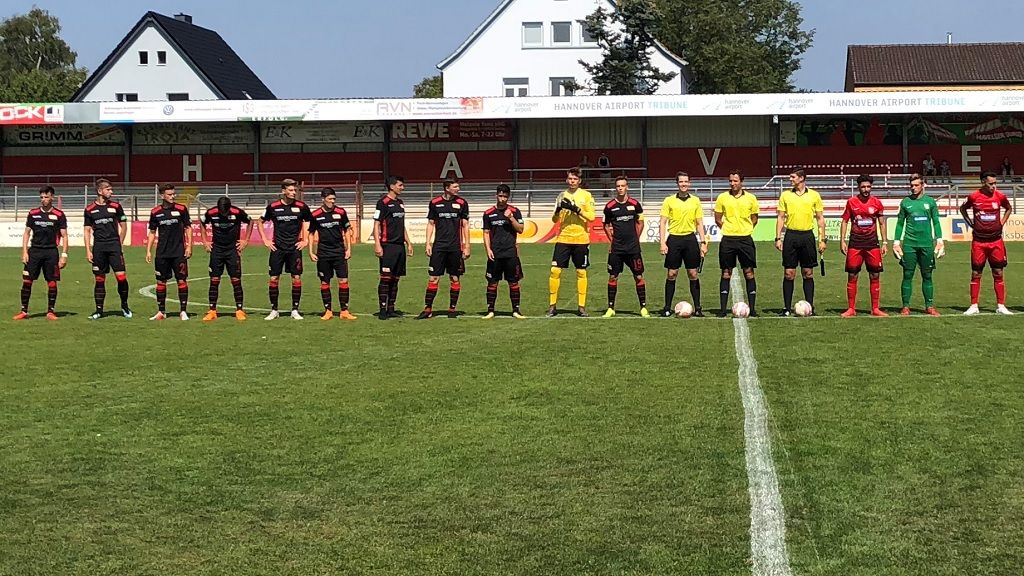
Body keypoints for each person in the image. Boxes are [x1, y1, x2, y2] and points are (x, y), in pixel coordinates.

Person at [257, 178, 312, 320]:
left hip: (294, 248)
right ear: (283, 191)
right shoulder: (273, 207)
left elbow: (309, 222)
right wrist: (265, 240)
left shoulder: (302, 206)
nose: (294, 192)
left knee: (296, 278)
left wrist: (305, 240)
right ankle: (274, 310)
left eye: (295, 190)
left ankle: (295, 309)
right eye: (291, 190)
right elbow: (260, 222)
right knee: (274, 278)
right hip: (277, 248)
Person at [960, 171, 1013, 315]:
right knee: (976, 273)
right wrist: (970, 222)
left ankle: (1001, 306)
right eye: (991, 183)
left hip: (996, 241)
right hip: (979, 241)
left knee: (998, 272)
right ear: (983, 182)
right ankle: (974, 305)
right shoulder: (973, 197)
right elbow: (963, 208)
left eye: (995, 183)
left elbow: (1009, 208)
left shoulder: (1000, 196)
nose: (994, 186)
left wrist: (1001, 222)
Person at [775, 168, 826, 316]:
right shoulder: (785, 195)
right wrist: (778, 237)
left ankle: (810, 306)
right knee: (789, 273)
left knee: (808, 273)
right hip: (791, 236)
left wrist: (822, 239)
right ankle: (786, 308)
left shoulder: (814, 195)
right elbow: (780, 217)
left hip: (807, 237)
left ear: (802, 178)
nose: (790, 179)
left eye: (793, 177)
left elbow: (820, 219)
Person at [418, 178, 470, 319]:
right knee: (433, 278)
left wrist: (467, 245)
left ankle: (452, 310)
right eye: (455, 186)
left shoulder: (462, 203)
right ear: (447, 188)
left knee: (454, 278)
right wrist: (428, 243)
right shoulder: (435, 203)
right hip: (439, 247)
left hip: (455, 247)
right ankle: (428, 309)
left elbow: (465, 225)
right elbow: (430, 223)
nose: (458, 189)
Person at [547, 167, 596, 316]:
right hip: (563, 238)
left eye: (575, 179)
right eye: (570, 179)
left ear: (579, 181)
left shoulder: (586, 195)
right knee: (555, 271)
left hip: (581, 239)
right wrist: (557, 211)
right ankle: (552, 306)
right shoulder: (561, 195)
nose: (572, 181)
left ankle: (581, 307)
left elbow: (592, 217)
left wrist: (576, 209)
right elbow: (554, 219)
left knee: (581, 272)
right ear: (566, 179)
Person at [14, 186, 67, 321]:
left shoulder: (59, 215)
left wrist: (64, 255)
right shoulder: (33, 213)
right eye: (42, 197)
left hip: (51, 252)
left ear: (52, 197)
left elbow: (64, 236)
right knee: (27, 281)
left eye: (46, 197)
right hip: (35, 252)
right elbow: (26, 233)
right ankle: (24, 311)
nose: (43, 199)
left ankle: (51, 311)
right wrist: (24, 251)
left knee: (52, 282)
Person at [893, 174, 944, 316]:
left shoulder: (930, 202)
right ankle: (905, 306)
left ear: (923, 185)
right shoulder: (905, 202)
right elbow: (899, 223)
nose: (913, 188)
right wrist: (896, 242)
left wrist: (940, 240)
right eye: (911, 185)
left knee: (927, 275)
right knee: (907, 274)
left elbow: (936, 222)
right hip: (909, 244)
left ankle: (929, 306)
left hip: (927, 244)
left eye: (916, 185)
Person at [660, 172, 708, 317]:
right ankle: (667, 307)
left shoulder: (695, 201)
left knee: (693, 273)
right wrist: (662, 242)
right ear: (677, 183)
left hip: (690, 239)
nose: (684, 184)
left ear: (689, 183)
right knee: (672, 273)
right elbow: (662, 222)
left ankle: (698, 308)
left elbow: (699, 223)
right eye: (681, 182)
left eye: (686, 182)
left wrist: (703, 242)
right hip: (674, 239)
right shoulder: (669, 200)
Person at [839, 175, 888, 317]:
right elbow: (844, 221)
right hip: (855, 243)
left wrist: (885, 242)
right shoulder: (851, 202)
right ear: (858, 187)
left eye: (868, 187)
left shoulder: (877, 203)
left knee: (875, 274)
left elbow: (881, 222)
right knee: (852, 274)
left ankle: (875, 308)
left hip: (872, 243)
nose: (866, 189)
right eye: (863, 187)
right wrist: (842, 240)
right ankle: (851, 309)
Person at [714, 170, 759, 317]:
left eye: (735, 181)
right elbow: (718, 218)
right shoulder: (722, 197)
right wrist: (728, 229)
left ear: (741, 181)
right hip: (728, 239)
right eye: (730, 181)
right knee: (726, 273)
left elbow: (754, 218)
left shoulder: (751, 198)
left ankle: (752, 309)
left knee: (749, 272)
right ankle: (722, 309)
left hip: (745, 239)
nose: (732, 183)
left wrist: (744, 229)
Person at [84, 178, 131, 320]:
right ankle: (99, 310)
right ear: (100, 191)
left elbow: (124, 226)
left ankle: (124, 305)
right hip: (99, 248)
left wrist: (119, 243)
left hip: (114, 247)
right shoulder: (89, 209)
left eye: (111, 189)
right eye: (108, 189)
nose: (111, 191)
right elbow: (87, 230)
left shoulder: (116, 206)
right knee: (99, 279)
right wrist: (88, 250)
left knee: (121, 277)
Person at [199, 196, 252, 321]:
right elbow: (201, 222)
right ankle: (212, 310)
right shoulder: (211, 213)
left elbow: (250, 221)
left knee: (235, 279)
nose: (224, 214)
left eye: (226, 212)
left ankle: (239, 310)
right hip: (216, 250)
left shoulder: (237, 212)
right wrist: (205, 241)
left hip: (233, 250)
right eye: (222, 212)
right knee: (214, 280)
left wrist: (245, 240)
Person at [602, 176, 648, 317]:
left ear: (627, 187)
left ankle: (643, 307)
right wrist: (612, 241)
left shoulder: (635, 204)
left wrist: (636, 238)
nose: (620, 188)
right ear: (615, 188)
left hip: (633, 248)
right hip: (617, 248)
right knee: (613, 277)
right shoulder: (609, 207)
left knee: (639, 276)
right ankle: (611, 308)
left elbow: (640, 222)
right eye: (618, 186)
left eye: (623, 185)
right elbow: (605, 225)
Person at [145, 184, 192, 321]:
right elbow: (152, 232)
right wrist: (148, 250)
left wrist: (189, 246)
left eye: (173, 194)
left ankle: (183, 311)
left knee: (181, 280)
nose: (173, 196)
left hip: (178, 252)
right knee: (161, 282)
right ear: (162, 196)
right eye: (170, 194)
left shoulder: (181, 209)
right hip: (162, 253)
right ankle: (161, 312)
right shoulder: (155, 212)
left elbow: (188, 227)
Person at [309, 187, 357, 320]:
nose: (332, 201)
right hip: (323, 253)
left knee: (343, 280)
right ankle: (328, 310)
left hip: (339, 252)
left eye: (334, 199)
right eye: (330, 199)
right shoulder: (315, 214)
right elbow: (311, 233)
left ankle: (344, 311)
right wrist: (311, 251)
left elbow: (347, 230)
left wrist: (348, 249)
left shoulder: (341, 212)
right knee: (325, 282)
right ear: (323, 199)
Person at [482, 184, 525, 319]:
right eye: (500, 196)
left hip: (510, 253)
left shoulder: (515, 211)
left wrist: (511, 218)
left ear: (508, 196)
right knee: (492, 282)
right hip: (495, 253)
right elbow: (486, 232)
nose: (502, 199)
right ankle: (490, 310)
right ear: (496, 195)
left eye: (505, 196)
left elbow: (521, 229)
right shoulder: (488, 213)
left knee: (513, 282)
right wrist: (488, 249)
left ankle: (516, 310)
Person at [374, 175, 414, 320]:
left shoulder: (400, 203)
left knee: (396, 278)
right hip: (387, 245)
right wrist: (377, 245)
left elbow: (401, 225)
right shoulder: (382, 203)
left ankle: (391, 308)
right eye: (400, 185)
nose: (402, 187)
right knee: (385, 278)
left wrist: (408, 242)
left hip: (399, 246)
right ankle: (382, 309)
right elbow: (377, 224)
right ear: (392, 186)